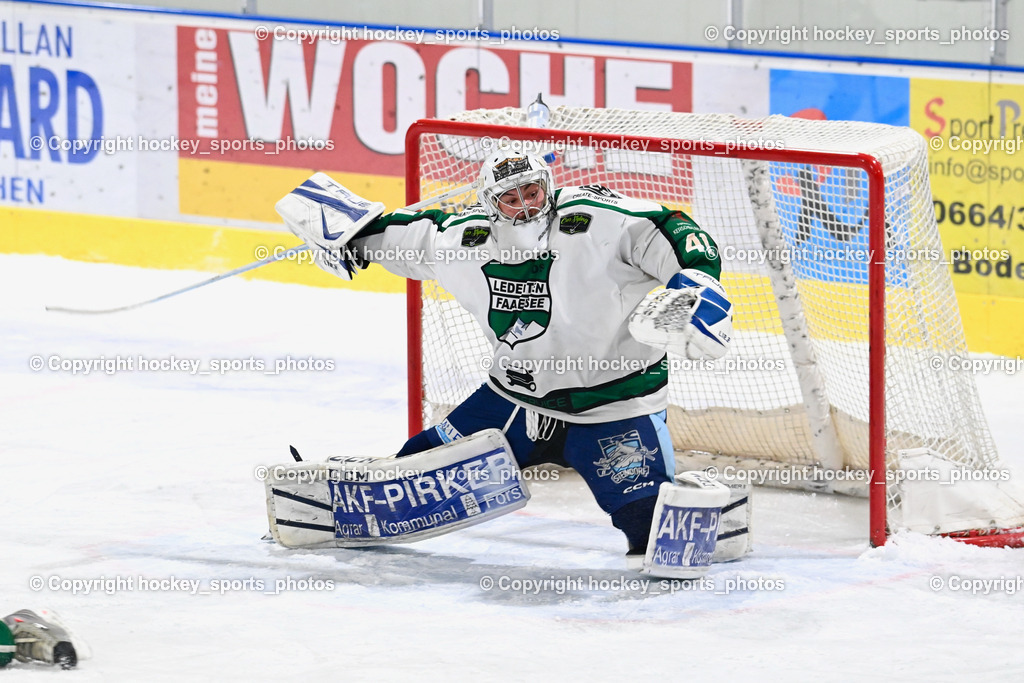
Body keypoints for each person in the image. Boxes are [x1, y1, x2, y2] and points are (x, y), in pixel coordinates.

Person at [290, 150, 732, 564]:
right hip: (513, 404)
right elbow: (407, 236)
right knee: (407, 477)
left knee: (652, 532)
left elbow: (675, 231)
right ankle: (326, 510)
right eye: (511, 198)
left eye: (532, 193)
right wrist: (351, 234)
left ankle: (705, 509)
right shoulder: (465, 239)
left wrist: (695, 285)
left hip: (614, 409)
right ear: (490, 204)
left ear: (548, 187)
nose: (526, 206)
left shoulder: (599, 220)